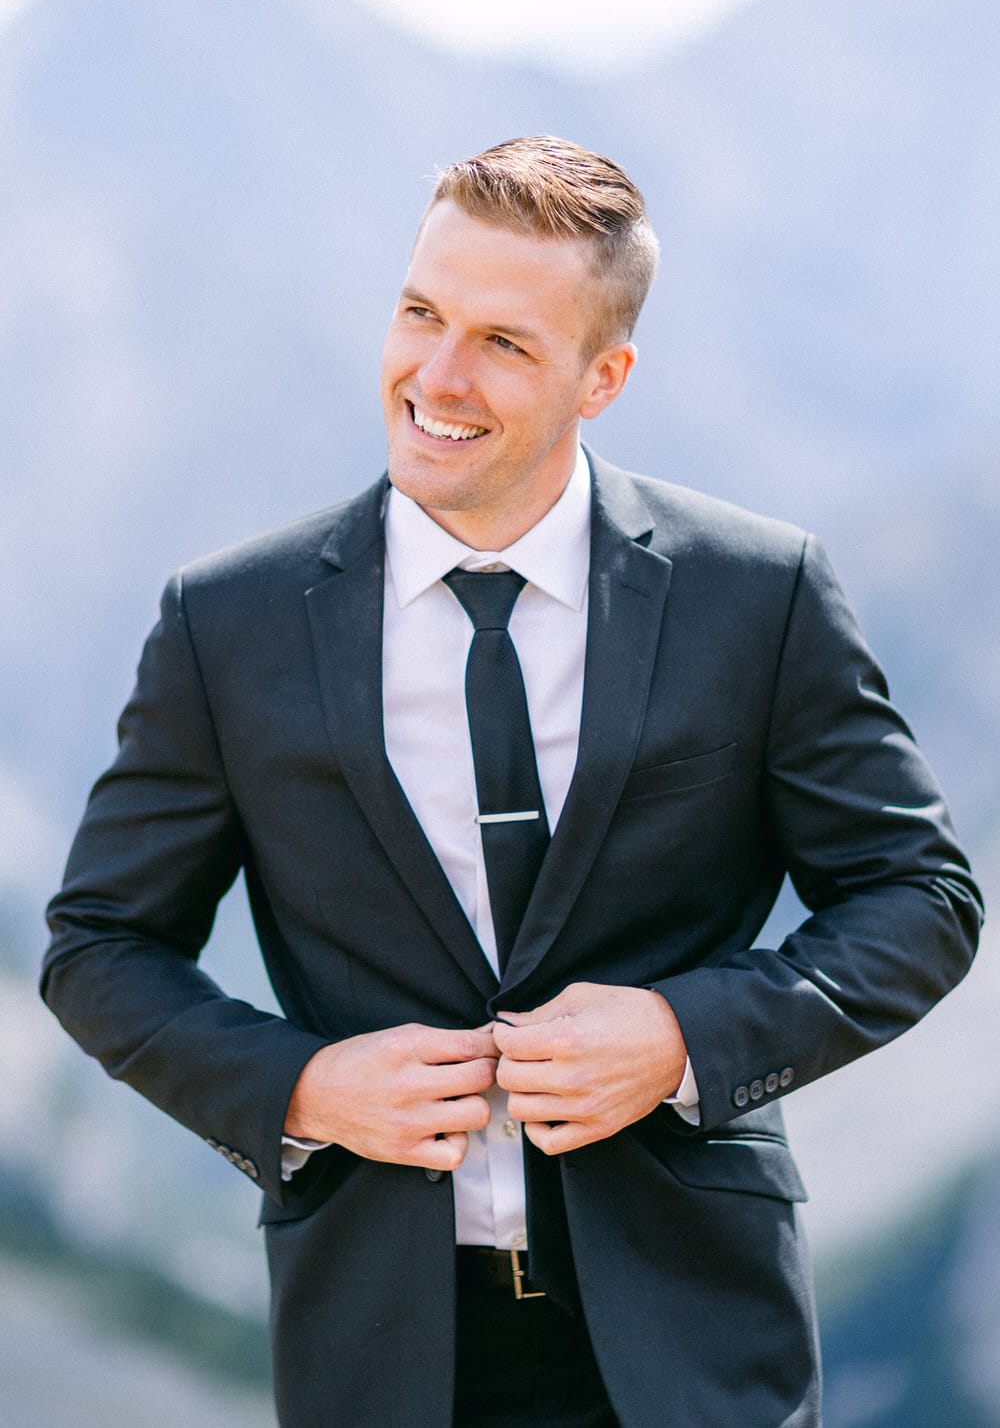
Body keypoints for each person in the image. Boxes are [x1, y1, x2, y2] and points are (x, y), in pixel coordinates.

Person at [42, 136, 982, 1428]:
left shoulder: (758, 597)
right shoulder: (229, 626)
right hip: (373, 1355)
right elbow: (95, 946)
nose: (435, 376)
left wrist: (681, 1042)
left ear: (605, 378)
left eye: (502, 341)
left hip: (703, 1353)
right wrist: (306, 1091)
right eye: (421, 312)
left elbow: (922, 897)